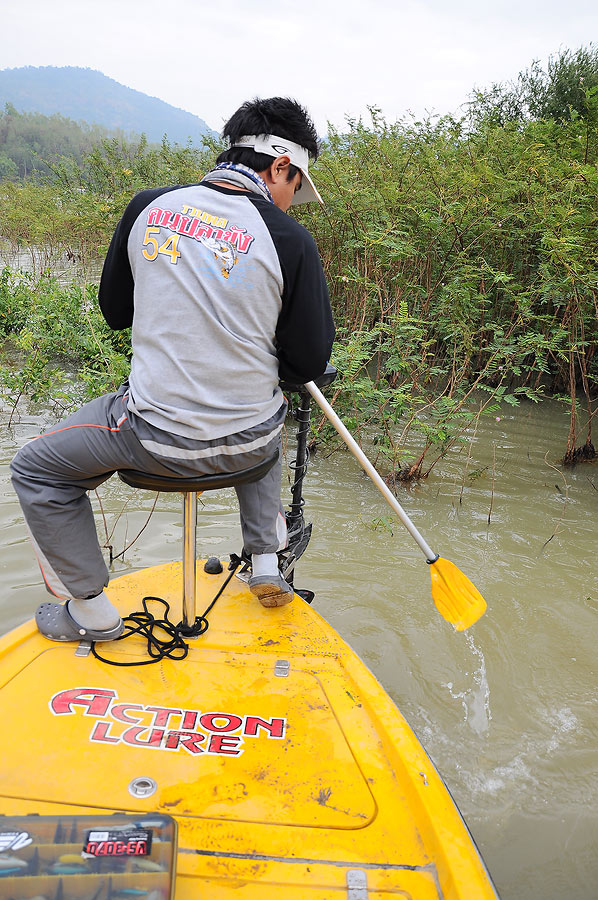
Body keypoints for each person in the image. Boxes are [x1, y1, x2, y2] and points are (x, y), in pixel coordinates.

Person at [10, 96, 335, 642]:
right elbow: (306, 363)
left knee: (35, 469)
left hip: (154, 443)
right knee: (265, 410)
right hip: (250, 446)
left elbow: (115, 312)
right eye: (295, 186)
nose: (292, 202)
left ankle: (90, 612)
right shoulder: (291, 242)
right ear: (279, 165)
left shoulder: (147, 207)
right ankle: (264, 558)